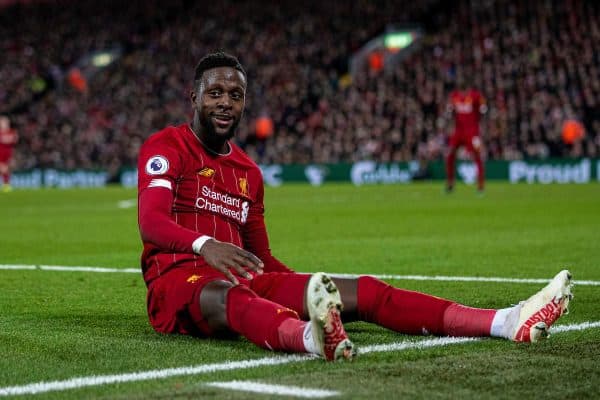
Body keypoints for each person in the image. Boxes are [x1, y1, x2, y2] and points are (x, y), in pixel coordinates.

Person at [137, 52, 573, 362]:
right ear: (194, 98)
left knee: (365, 291)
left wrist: (309, 289)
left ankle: (504, 320)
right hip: (180, 281)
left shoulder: (248, 171)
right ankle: (311, 339)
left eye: (235, 95)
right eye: (215, 93)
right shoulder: (166, 146)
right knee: (229, 297)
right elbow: (151, 221)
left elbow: (263, 258)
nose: (225, 103)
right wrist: (204, 245)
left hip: (247, 276)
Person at [444, 76, 487, 193]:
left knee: (477, 157)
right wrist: (449, 114)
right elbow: (449, 111)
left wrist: (481, 122)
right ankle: (450, 183)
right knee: (449, 155)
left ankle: (481, 185)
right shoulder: (454, 96)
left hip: (472, 132)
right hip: (458, 132)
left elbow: (484, 109)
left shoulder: (476, 96)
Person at [0, 116, 18, 192]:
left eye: (4, 122)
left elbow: (15, 140)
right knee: (3, 168)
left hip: (8, 153)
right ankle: (6, 185)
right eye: (1, 122)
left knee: (6, 169)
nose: (3, 124)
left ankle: (6, 185)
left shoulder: (12, 131)